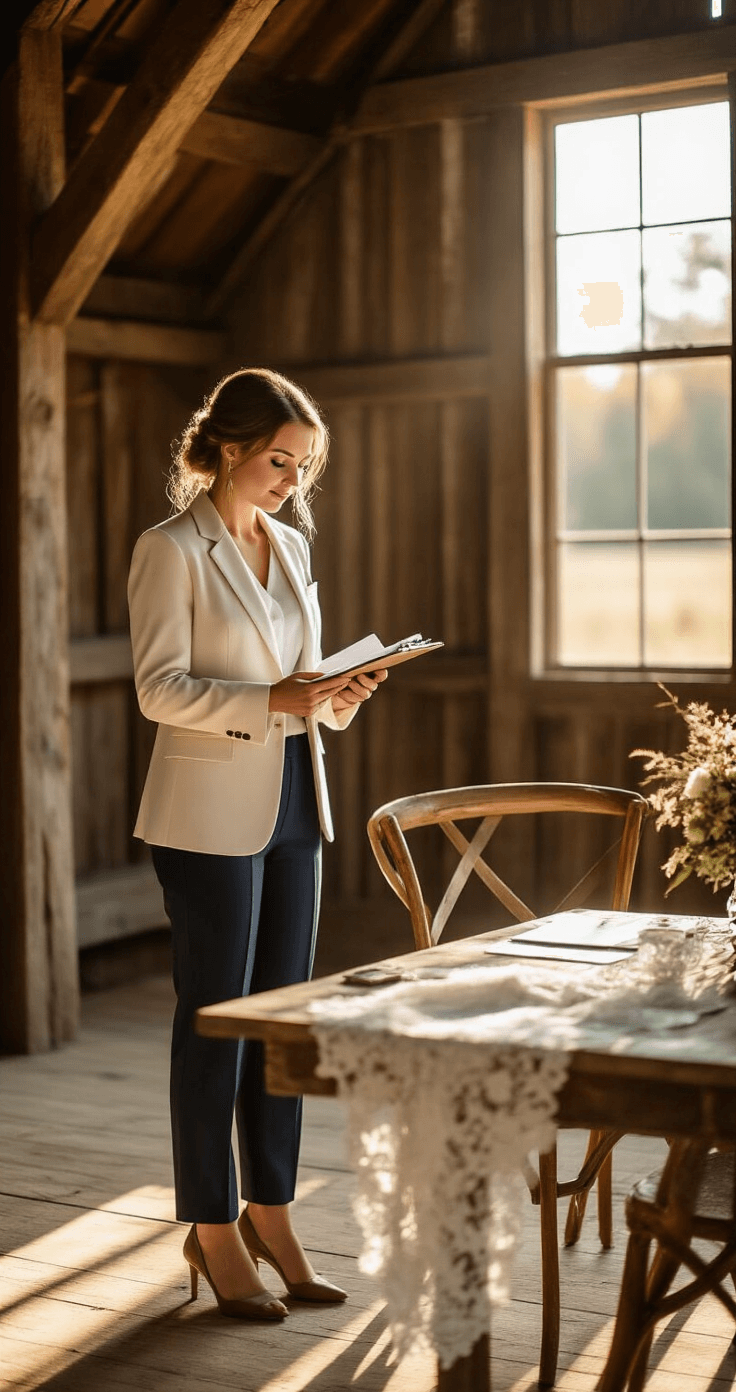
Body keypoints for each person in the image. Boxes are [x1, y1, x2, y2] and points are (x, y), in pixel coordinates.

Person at [128, 367, 387, 1321]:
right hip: (204, 817)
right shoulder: (170, 549)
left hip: (293, 801)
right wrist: (273, 700)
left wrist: (335, 695)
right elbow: (159, 688)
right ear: (231, 446)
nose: (292, 482)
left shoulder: (288, 545)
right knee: (216, 1020)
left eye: (303, 466)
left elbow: (298, 679)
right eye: (282, 461)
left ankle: (271, 1209)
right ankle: (210, 1223)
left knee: (281, 1026)